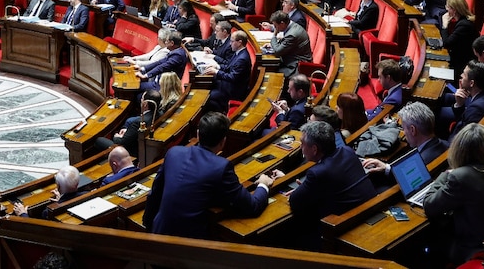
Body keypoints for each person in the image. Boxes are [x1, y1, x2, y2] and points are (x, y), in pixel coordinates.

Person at [143, 112, 276, 238]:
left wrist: (148, 227)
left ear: (198, 134)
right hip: (189, 246)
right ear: (223, 141)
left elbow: (155, 194)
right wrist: (263, 184)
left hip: (158, 232)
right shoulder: (221, 167)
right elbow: (252, 206)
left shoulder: (174, 153)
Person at [422, 123, 484, 266]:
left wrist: (445, 175)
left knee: (429, 242)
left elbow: (429, 205)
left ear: (459, 150)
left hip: (478, 249)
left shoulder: (460, 177)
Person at [286, 121, 377, 250]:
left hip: (342, 226)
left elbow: (295, 201)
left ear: (314, 149)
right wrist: (308, 188)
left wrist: (302, 190)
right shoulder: (347, 151)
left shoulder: (317, 173)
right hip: (368, 211)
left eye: (303, 144)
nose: (301, 147)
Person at [362, 102, 448, 186]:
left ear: (412, 130)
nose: (403, 132)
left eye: (403, 128)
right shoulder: (447, 145)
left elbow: (405, 179)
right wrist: (387, 167)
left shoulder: (421, 161)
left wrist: (386, 169)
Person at [441, 0, 480, 76]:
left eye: (448, 7)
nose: (446, 9)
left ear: (454, 10)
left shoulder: (464, 25)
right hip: (459, 58)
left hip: (462, 65)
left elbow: (447, 43)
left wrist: (444, 25)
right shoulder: (462, 22)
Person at [268, 10, 312, 77]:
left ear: (282, 23)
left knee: (271, 71)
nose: (275, 28)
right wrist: (273, 44)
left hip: (296, 65)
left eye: (275, 26)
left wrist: (274, 35)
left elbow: (278, 51)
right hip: (291, 58)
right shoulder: (292, 26)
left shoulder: (292, 34)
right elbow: (285, 43)